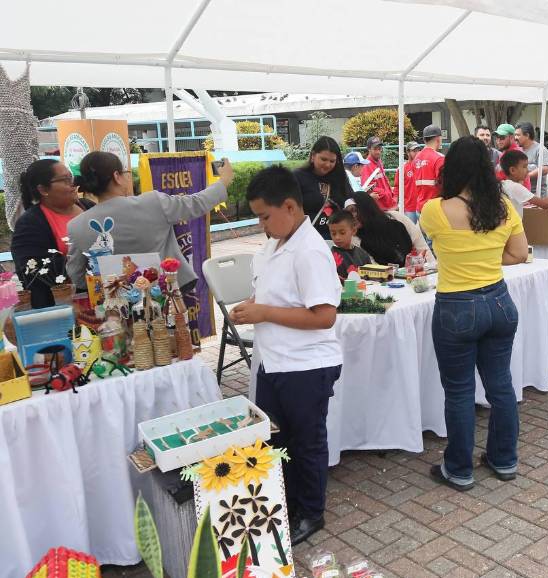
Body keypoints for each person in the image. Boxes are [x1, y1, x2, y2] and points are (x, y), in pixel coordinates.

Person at [230, 165, 342, 545]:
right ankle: (283, 504)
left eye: (264, 216)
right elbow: (273, 295)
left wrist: (264, 313)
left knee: (305, 441)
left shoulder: (310, 251)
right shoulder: (273, 244)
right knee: (275, 439)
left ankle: (311, 512)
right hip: (274, 360)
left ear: (290, 207)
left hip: (306, 365)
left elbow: (324, 316)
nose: (261, 224)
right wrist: (251, 305)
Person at [419, 136, 528, 490]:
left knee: (460, 392)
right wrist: (485, 255)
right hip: (498, 302)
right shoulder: (504, 207)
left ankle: (460, 469)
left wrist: (467, 256)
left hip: (456, 306)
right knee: (501, 386)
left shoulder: (435, 210)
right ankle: (504, 459)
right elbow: (519, 254)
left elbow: (433, 244)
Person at [66, 152, 232, 292]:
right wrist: (223, 181)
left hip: (112, 310)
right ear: (116, 176)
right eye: (125, 173)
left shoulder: (76, 226)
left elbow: (77, 276)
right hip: (166, 297)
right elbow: (196, 203)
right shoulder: (153, 202)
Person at [11, 159, 95, 309]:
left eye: (71, 178)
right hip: (65, 306)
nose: (72, 184)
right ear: (43, 190)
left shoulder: (88, 207)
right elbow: (32, 271)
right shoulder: (30, 224)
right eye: (65, 180)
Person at [294, 136, 353, 239]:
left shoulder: (340, 177)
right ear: (313, 156)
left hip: (337, 239)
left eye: (332, 161)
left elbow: (349, 198)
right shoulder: (297, 177)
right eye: (323, 159)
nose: (327, 165)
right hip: (308, 238)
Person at [346, 192, 413, 266]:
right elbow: (374, 268)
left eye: (354, 210)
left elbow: (422, 250)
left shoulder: (396, 222)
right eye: (347, 213)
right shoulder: (356, 240)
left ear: (366, 208)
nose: (351, 216)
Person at [498, 150, 548, 217]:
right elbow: (546, 204)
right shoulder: (515, 187)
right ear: (512, 170)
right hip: (514, 227)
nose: (527, 170)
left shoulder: (503, 184)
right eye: (524, 167)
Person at [328, 210, 372, 281]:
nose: (337, 237)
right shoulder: (329, 256)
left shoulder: (362, 255)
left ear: (353, 231)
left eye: (342, 233)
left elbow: (370, 277)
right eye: (333, 233)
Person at [359, 136, 396, 211]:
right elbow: (367, 187)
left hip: (387, 204)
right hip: (379, 207)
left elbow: (384, 181)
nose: (378, 152)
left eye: (379, 149)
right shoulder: (367, 166)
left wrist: (391, 195)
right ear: (369, 149)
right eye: (375, 149)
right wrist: (385, 193)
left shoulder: (379, 162)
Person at [414, 124, 445, 209]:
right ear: (438, 139)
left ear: (424, 140)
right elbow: (443, 184)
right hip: (434, 207)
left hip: (420, 207)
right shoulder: (439, 158)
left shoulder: (417, 158)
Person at [515, 122, 548, 195]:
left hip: (536, 194)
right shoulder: (516, 150)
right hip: (520, 193)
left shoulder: (540, 149)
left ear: (527, 135)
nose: (515, 138)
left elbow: (544, 169)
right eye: (515, 135)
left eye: (518, 135)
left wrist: (525, 178)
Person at [493, 124, 531, 190]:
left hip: (516, 196)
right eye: (496, 137)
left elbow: (520, 180)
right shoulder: (506, 152)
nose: (498, 141)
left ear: (511, 137)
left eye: (502, 137)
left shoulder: (515, 153)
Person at [395, 141, 423, 223]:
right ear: (407, 152)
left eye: (418, 150)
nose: (417, 153)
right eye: (414, 151)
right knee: (410, 233)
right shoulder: (402, 168)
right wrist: (395, 203)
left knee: (426, 234)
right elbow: (397, 187)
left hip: (422, 205)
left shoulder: (422, 165)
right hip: (409, 207)